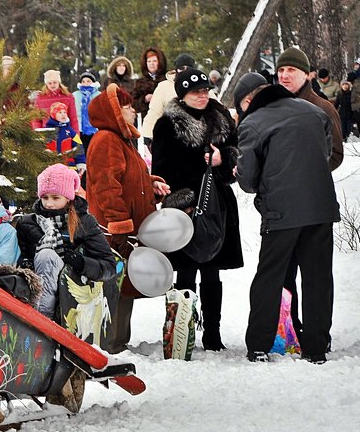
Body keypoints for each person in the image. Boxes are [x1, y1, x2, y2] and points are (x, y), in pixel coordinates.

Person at [234, 80, 339, 364]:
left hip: (281, 211)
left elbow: (246, 179)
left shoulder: (252, 123)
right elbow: (326, 154)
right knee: (318, 277)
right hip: (320, 205)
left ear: (249, 102)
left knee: (270, 276)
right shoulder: (313, 112)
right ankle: (316, 347)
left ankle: (258, 345)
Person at [150, 69, 243, 351]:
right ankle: (181, 333)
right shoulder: (167, 125)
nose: (202, 96)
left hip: (218, 208)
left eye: (205, 91)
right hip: (184, 207)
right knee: (186, 272)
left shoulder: (221, 117)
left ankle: (212, 334)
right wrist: (180, 193)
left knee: (213, 273)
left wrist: (221, 160)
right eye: (195, 92)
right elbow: (161, 170)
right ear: (182, 94)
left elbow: (236, 158)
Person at [84, 83, 170, 353]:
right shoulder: (106, 141)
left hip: (127, 230)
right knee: (115, 287)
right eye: (127, 107)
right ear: (114, 112)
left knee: (124, 287)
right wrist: (119, 226)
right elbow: (107, 188)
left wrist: (151, 184)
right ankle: (108, 347)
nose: (133, 111)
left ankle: (117, 343)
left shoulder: (122, 140)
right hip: (114, 231)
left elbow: (130, 179)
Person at [14, 164, 116, 319]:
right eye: (44, 197)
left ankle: (43, 317)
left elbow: (109, 266)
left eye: (55, 198)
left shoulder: (84, 223)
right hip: (33, 285)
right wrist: (26, 262)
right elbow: (20, 255)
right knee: (44, 257)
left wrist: (82, 263)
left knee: (47, 255)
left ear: (68, 198)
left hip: (71, 289)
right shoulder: (28, 223)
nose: (48, 203)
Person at [275, 47, 345, 167]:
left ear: (306, 75)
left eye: (291, 70)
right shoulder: (271, 107)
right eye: (281, 70)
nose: (284, 75)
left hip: (308, 183)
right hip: (274, 184)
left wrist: (302, 171)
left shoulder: (323, 108)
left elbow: (335, 154)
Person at [142, 52, 195, 148]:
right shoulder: (164, 86)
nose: (185, 71)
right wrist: (148, 134)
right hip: (170, 138)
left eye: (188, 68)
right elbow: (155, 112)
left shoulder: (200, 86)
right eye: (181, 68)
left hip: (196, 137)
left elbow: (216, 109)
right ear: (176, 69)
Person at [45, 100, 85, 169]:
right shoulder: (48, 131)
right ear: (53, 115)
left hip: (69, 165)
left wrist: (81, 163)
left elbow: (78, 146)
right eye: (60, 112)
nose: (63, 114)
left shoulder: (70, 131)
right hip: (51, 165)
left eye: (64, 112)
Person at [132, 47, 167, 116]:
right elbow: (133, 104)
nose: (152, 64)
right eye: (149, 61)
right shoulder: (140, 82)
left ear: (160, 62)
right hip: (147, 119)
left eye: (154, 61)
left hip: (165, 118)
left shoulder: (167, 79)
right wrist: (144, 99)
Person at [75, 71, 100, 151]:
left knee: (93, 150)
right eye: (83, 81)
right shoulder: (75, 95)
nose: (85, 83)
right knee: (80, 151)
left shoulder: (99, 95)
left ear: (93, 82)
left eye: (88, 81)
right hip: (79, 128)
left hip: (94, 128)